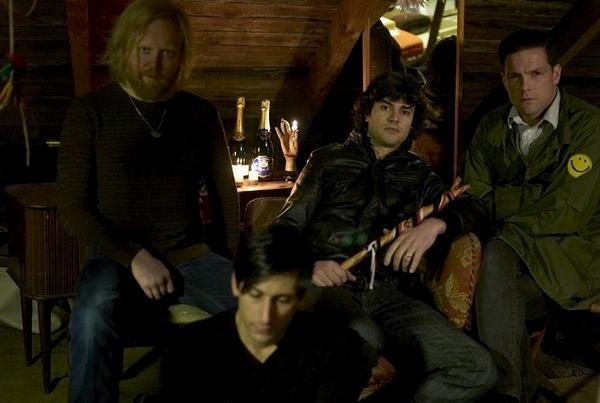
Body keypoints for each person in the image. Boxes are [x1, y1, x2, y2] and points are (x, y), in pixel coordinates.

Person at [274, 71, 496, 403]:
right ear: (367, 113)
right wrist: (310, 265)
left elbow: (473, 205)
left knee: (477, 367)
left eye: (405, 111)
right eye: (386, 107)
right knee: (363, 336)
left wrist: (435, 225)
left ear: (412, 121)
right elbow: (283, 229)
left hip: (388, 293)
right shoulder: (327, 160)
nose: (395, 118)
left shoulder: (418, 173)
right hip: (326, 286)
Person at [56, 0, 240, 401]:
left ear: (181, 57)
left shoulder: (200, 114)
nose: (154, 64)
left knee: (261, 314)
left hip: (190, 254)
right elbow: (71, 206)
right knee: (91, 317)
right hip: (114, 256)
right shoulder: (89, 112)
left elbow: (226, 198)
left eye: (167, 53)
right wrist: (135, 257)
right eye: (144, 50)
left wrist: (230, 261)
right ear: (125, 48)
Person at [463, 29, 600, 402]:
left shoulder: (589, 125)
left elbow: (566, 211)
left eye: (536, 73)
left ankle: (510, 392)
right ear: (503, 79)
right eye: (515, 76)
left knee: (496, 261)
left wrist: (504, 205)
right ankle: (518, 391)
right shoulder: (491, 126)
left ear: (556, 73)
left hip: (572, 255)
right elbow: (476, 197)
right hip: (516, 265)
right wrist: (536, 195)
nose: (525, 86)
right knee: (492, 287)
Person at [159, 226, 371, 403]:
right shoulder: (188, 350)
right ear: (235, 284)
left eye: (282, 300)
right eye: (256, 295)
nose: (265, 316)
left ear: (301, 296)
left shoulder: (336, 349)